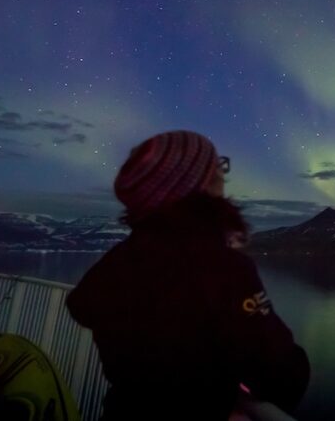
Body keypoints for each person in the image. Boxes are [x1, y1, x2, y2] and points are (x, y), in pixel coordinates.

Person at [66, 130, 309, 420]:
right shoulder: (221, 267)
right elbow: (278, 373)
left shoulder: (118, 263)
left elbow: (83, 306)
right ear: (194, 183)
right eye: (216, 166)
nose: (223, 174)